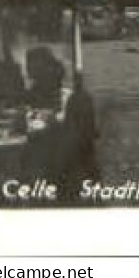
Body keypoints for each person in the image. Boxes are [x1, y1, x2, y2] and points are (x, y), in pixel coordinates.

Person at [59, 73, 99, 202]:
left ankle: (74, 186)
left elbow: (69, 118)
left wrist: (66, 132)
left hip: (78, 136)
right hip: (86, 134)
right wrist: (94, 131)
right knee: (89, 160)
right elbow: (91, 116)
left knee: (78, 160)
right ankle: (93, 183)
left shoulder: (72, 99)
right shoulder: (87, 97)